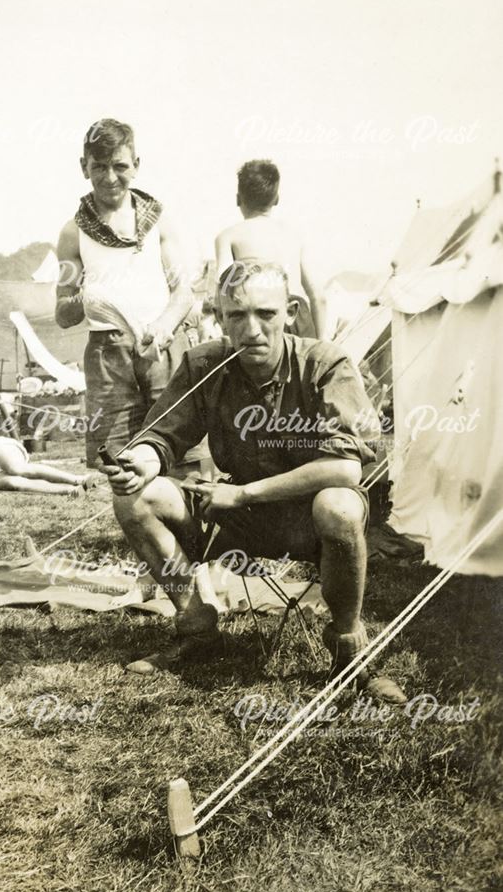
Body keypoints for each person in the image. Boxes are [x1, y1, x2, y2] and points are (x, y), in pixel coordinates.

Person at [103, 261, 406, 703]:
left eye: (265, 314)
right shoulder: (204, 364)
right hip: (236, 517)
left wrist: (243, 492)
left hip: (309, 517)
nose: (251, 330)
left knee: (339, 504)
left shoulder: (326, 363)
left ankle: (348, 650)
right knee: (135, 498)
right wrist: (139, 463)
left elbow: (344, 468)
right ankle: (197, 628)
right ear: (219, 316)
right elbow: (162, 435)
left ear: (291, 311)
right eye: (236, 315)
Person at [55, 118, 196, 468]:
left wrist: (163, 328)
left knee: (180, 450)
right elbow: (62, 314)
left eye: (120, 166)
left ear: (136, 165)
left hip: (161, 345)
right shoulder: (73, 233)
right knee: (117, 461)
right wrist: (86, 295)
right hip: (107, 353)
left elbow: (184, 292)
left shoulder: (159, 220)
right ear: (83, 167)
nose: (110, 177)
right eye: (98, 167)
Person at [213, 160, 327, 338]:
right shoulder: (294, 236)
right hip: (295, 317)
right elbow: (319, 297)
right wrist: (322, 344)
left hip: (258, 319)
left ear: (237, 199)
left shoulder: (228, 236)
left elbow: (223, 289)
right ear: (277, 199)